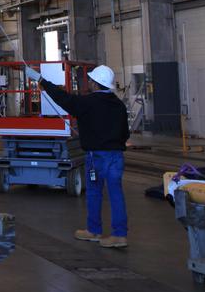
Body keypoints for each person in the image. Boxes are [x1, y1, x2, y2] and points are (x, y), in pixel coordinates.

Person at [27, 63, 129, 249]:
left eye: (91, 80)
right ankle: (119, 235)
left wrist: (41, 80)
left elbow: (63, 98)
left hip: (96, 157)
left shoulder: (87, 103)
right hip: (116, 156)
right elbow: (125, 134)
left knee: (94, 192)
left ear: (97, 84)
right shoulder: (119, 105)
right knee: (116, 194)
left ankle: (94, 230)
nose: (88, 82)